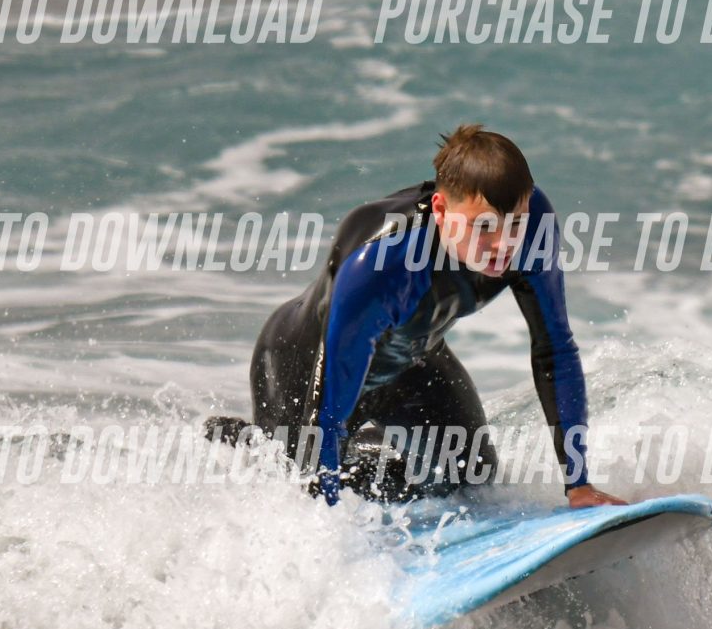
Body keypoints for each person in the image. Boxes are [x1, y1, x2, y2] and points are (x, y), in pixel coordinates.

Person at [221, 123, 622, 506]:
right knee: (305, 490)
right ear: (441, 210)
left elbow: (554, 351)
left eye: (514, 223)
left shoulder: (533, 227)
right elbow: (326, 411)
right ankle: (247, 441)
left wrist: (579, 484)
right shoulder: (381, 264)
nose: (504, 244)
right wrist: (328, 523)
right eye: (484, 226)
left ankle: (364, 452)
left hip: (409, 362)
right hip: (309, 367)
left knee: (473, 483)